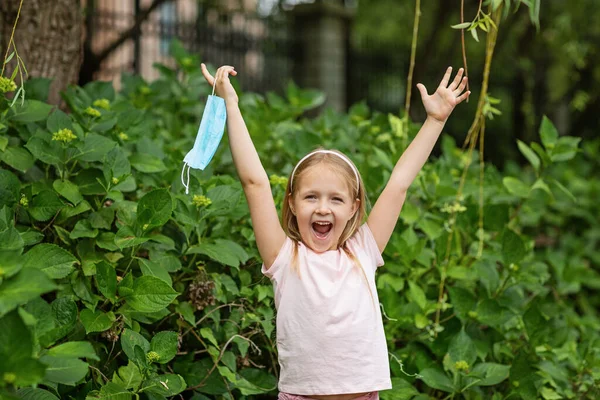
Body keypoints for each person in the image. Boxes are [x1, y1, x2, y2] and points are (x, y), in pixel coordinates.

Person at [200, 63, 469, 400]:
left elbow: (399, 184)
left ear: (354, 207)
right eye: (311, 197)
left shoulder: (363, 251)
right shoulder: (284, 258)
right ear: (293, 204)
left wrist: (435, 121)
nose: (323, 208)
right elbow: (254, 183)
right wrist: (231, 105)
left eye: (336, 199)